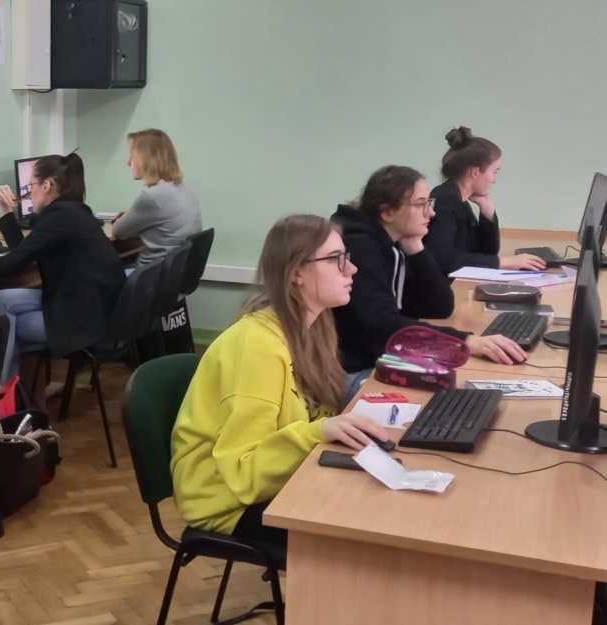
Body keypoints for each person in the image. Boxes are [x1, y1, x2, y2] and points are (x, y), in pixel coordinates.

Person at [170, 214, 390, 554]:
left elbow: (313, 417)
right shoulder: (257, 347)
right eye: (336, 259)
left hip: (281, 479)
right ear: (297, 273)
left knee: (381, 507)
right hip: (226, 502)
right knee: (367, 540)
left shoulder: (313, 329)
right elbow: (244, 475)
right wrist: (320, 432)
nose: (352, 269)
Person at [331, 165, 528, 401]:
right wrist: (463, 341)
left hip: (384, 356)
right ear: (388, 213)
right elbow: (384, 324)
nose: (431, 213)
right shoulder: (361, 248)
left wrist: (415, 247)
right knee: (454, 400)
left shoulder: (393, 241)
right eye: (420, 204)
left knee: (465, 391)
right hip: (354, 371)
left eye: (429, 203)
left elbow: (440, 307)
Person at [0, 153, 126, 383]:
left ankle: (2, 392)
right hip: (93, 308)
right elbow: (24, 252)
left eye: (30, 185)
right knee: (2, 299)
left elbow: (11, 264)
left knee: (5, 327)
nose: (29, 192)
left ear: (46, 185)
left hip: (85, 322)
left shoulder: (59, 218)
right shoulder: (73, 211)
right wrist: (6, 212)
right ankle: (9, 392)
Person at [424, 126, 546, 274]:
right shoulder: (445, 201)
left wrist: (487, 211)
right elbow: (443, 258)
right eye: (494, 172)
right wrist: (504, 262)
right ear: (475, 172)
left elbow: (486, 253)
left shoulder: (459, 200)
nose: (494, 180)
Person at [111, 129, 202, 266]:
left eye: (132, 156)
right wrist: (134, 218)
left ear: (146, 159)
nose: (128, 162)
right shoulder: (182, 189)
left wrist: (125, 219)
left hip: (149, 274)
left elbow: (118, 232)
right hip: (174, 271)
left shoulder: (152, 196)